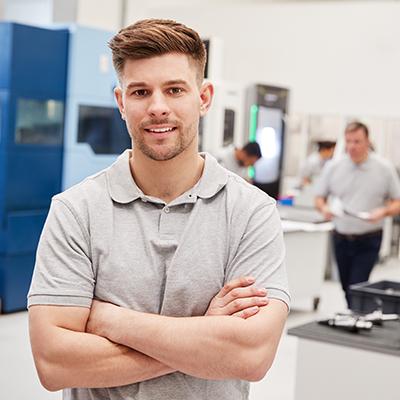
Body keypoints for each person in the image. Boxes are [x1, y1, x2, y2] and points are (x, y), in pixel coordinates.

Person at [28, 19, 290, 400]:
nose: (157, 107)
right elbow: (54, 364)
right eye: (140, 92)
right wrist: (204, 335)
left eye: (175, 89)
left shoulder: (252, 212)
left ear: (204, 97)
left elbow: (250, 355)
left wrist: (111, 321)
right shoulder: (76, 211)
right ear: (121, 102)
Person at [315, 121, 400, 308]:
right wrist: (324, 209)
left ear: (367, 141)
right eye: (348, 141)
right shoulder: (334, 167)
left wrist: (384, 211)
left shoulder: (384, 168)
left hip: (368, 239)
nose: (352, 146)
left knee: (357, 284)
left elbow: (397, 202)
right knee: (346, 286)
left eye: (357, 141)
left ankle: (356, 319)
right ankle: (355, 314)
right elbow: (319, 198)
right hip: (341, 238)